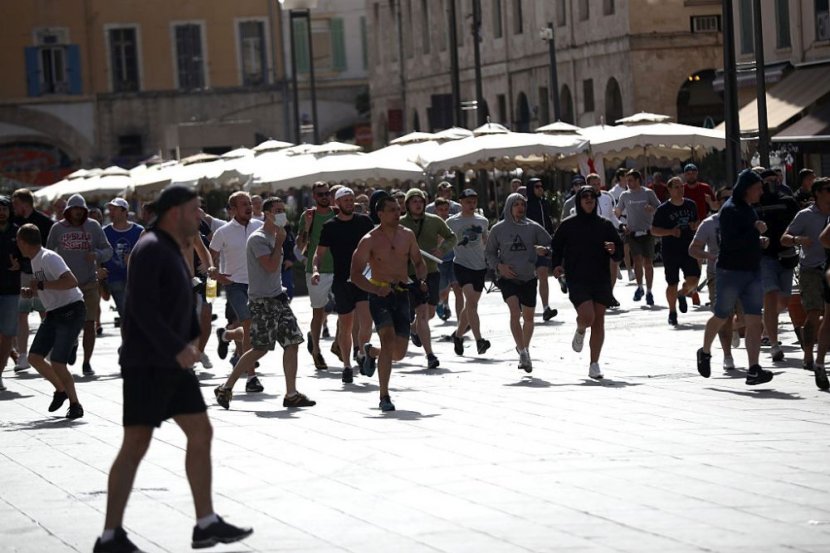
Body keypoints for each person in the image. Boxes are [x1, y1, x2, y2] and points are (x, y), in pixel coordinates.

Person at [94, 185, 253, 553]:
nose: (200, 216)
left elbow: (185, 299)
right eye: (195, 210)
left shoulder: (172, 247)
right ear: (175, 212)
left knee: (201, 431)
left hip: (172, 362)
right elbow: (142, 310)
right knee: (135, 443)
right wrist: (177, 346)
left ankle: (205, 522)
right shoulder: (150, 249)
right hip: (148, 363)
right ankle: (109, 536)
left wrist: (194, 336)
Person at [214, 197, 316, 409]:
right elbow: (269, 266)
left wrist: (305, 227)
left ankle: (291, 393)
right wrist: (279, 243)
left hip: (278, 297)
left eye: (283, 209)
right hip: (263, 301)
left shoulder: (277, 233)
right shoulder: (259, 238)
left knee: (293, 342)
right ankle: (226, 387)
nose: (282, 213)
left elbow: (298, 251)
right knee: (260, 348)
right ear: (268, 214)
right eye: (277, 210)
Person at [350, 195, 428, 412]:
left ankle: (370, 352)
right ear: (380, 214)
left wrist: (421, 279)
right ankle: (384, 395)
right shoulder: (369, 240)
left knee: (399, 353)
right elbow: (355, 275)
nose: (397, 213)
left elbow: (419, 262)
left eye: (398, 209)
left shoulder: (407, 235)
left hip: (402, 294)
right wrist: (375, 289)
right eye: (392, 210)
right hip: (380, 295)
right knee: (387, 339)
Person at [696, 169, 773, 386]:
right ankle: (704, 351)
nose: (761, 192)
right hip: (730, 272)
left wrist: (759, 240)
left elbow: (746, 240)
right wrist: (755, 231)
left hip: (752, 271)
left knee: (754, 320)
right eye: (758, 188)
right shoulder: (729, 210)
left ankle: (753, 368)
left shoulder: (748, 208)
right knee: (722, 315)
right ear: (748, 189)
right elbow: (730, 243)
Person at [551, 186, 623, 379]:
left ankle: (594, 364)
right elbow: (556, 246)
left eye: (592, 196)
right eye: (585, 197)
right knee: (588, 316)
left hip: (600, 278)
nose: (589, 199)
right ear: (579, 201)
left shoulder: (605, 225)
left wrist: (613, 249)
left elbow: (619, 251)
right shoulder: (568, 225)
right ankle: (581, 328)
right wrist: (556, 265)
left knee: (599, 320)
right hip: (577, 278)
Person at [16, 223, 85, 418]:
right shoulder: (35, 260)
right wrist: (33, 292)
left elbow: (71, 281)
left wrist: (42, 285)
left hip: (71, 310)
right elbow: (48, 286)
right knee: (34, 358)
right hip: (54, 312)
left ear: (22, 242)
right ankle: (60, 390)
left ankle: (75, 404)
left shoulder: (48, 258)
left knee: (57, 362)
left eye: (18, 242)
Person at [46, 193, 113, 376]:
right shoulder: (57, 228)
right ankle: (72, 344)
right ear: (68, 210)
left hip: (89, 283)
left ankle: (87, 363)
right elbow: (47, 253)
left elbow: (108, 250)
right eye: (73, 209)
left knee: (89, 323)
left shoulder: (93, 226)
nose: (77, 212)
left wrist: (97, 255)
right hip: (67, 285)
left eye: (80, 209)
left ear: (84, 210)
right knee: (67, 325)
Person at [312, 187, 374, 383]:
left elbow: (378, 243)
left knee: (366, 321)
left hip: (364, 278)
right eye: (345, 200)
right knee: (345, 325)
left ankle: (362, 353)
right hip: (341, 281)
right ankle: (347, 364)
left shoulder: (364, 221)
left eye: (351, 199)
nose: (349, 202)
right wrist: (315, 270)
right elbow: (319, 254)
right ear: (337, 203)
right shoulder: (330, 226)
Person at [485, 193, 552, 372]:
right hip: (508, 279)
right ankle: (523, 352)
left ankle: (524, 347)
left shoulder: (533, 227)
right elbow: (489, 253)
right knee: (515, 312)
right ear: (509, 207)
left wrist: (544, 250)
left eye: (523, 204)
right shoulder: (498, 229)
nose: (520, 208)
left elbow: (552, 245)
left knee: (529, 318)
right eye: (516, 204)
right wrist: (499, 267)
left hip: (529, 277)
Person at [208, 192, 264, 391]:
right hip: (235, 285)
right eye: (243, 204)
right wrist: (215, 273)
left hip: (258, 285)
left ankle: (227, 335)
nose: (249, 207)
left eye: (249, 203)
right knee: (249, 326)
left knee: (254, 329)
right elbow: (210, 256)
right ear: (232, 210)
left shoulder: (260, 226)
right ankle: (251, 377)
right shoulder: (223, 232)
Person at [399, 188, 457, 369]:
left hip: (431, 271)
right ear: (407, 204)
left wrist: (442, 249)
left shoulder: (435, 221)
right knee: (422, 313)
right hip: (408, 274)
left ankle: (415, 329)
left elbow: (452, 237)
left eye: (420, 201)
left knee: (430, 313)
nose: (417, 204)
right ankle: (430, 354)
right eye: (414, 201)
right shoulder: (399, 223)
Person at [690, 187, 743, 371]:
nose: (729, 201)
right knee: (724, 317)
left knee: (747, 317)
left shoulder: (743, 220)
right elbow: (693, 249)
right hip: (718, 275)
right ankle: (727, 355)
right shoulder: (709, 223)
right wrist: (709, 256)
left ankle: (735, 327)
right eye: (725, 198)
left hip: (743, 273)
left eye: (732, 197)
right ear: (717, 201)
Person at [781, 176, 830, 372]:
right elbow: (784, 239)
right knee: (814, 312)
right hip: (811, 269)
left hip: (828, 268)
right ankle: (808, 354)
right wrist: (798, 239)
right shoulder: (805, 215)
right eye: (828, 189)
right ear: (817, 193)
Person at [756, 173, 799, 362]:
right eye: (767, 180)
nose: (771, 183)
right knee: (771, 296)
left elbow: (799, 223)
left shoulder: (788, 201)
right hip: (765, 257)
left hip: (786, 255)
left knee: (783, 300)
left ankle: (765, 327)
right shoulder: (754, 204)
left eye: (774, 179)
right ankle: (774, 344)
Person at [10, 188, 54, 372]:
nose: (13, 208)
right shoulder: (14, 222)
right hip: (22, 273)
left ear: (25, 203)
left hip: (40, 272)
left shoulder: (44, 222)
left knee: (45, 313)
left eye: (16, 204)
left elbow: (52, 246)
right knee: (22, 315)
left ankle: (51, 353)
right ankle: (22, 356)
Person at [446, 189, 491, 356]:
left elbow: (486, 241)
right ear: (461, 202)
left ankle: (458, 336)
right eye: (468, 202)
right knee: (471, 302)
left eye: (474, 202)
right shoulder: (452, 222)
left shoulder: (483, 221)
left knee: (470, 305)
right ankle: (480, 340)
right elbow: (443, 239)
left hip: (479, 266)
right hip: (461, 265)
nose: (471, 205)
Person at [651, 176, 700, 326]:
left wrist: (694, 225)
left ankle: (682, 294)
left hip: (689, 248)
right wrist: (670, 232)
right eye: (676, 187)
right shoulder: (663, 209)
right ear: (670, 190)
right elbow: (654, 230)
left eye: (681, 187)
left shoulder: (691, 205)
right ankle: (672, 311)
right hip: (671, 249)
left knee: (694, 280)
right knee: (672, 282)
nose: (680, 189)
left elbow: (697, 221)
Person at [297, 182, 336, 370]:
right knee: (318, 312)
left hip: (339, 268)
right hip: (316, 269)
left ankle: (339, 345)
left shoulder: (337, 213)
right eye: (320, 194)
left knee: (348, 310)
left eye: (327, 193)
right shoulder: (308, 215)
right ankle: (316, 351)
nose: (325, 197)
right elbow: (300, 246)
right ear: (314, 196)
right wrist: (307, 226)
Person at [615, 170, 660, 305]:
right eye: (627, 181)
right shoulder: (624, 195)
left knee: (648, 263)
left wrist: (652, 209)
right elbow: (617, 211)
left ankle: (649, 291)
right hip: (632, 233)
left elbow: (660, 207)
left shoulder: (648, 193)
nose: (628, 183)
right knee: (637, 261)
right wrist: (615, 221)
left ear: (638, 180)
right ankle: (640, 287)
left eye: (630, 180)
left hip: (648, 232)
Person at [102, 198, 144, 320]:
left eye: (114, 209)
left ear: (125, 211)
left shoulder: (139, 231)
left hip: (136, 278)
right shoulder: (105, 232)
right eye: (110, 209)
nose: (111, 212)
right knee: (126, 315)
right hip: (114, 278)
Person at [526, 177, 558, 322]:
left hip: (544, 245)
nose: (540, 189)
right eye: (537, 186)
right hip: (528, 247)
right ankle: (526, 307)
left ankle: (546, 308)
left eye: (541, 186)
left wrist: (552, 236)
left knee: (543, 274)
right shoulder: (524, 205)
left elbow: (548, 220)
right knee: (528, 278)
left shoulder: (544, 203)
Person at [0, 196, 21, 391]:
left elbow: (31, 256)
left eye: (4, 209)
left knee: (7, 334)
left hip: (10, 290)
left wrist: (20, 265)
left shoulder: (18, 232)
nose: (2, 212)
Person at [433, 198, 463, 321]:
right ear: (436, 210)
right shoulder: (433, 223)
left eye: (446, 209)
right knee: (444, 291)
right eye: (441, 209)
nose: (444, 212)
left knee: (458, 288)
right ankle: (439, 304)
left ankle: (461, 320)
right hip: (440, 261)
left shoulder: (453, 221)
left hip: (455, 259)